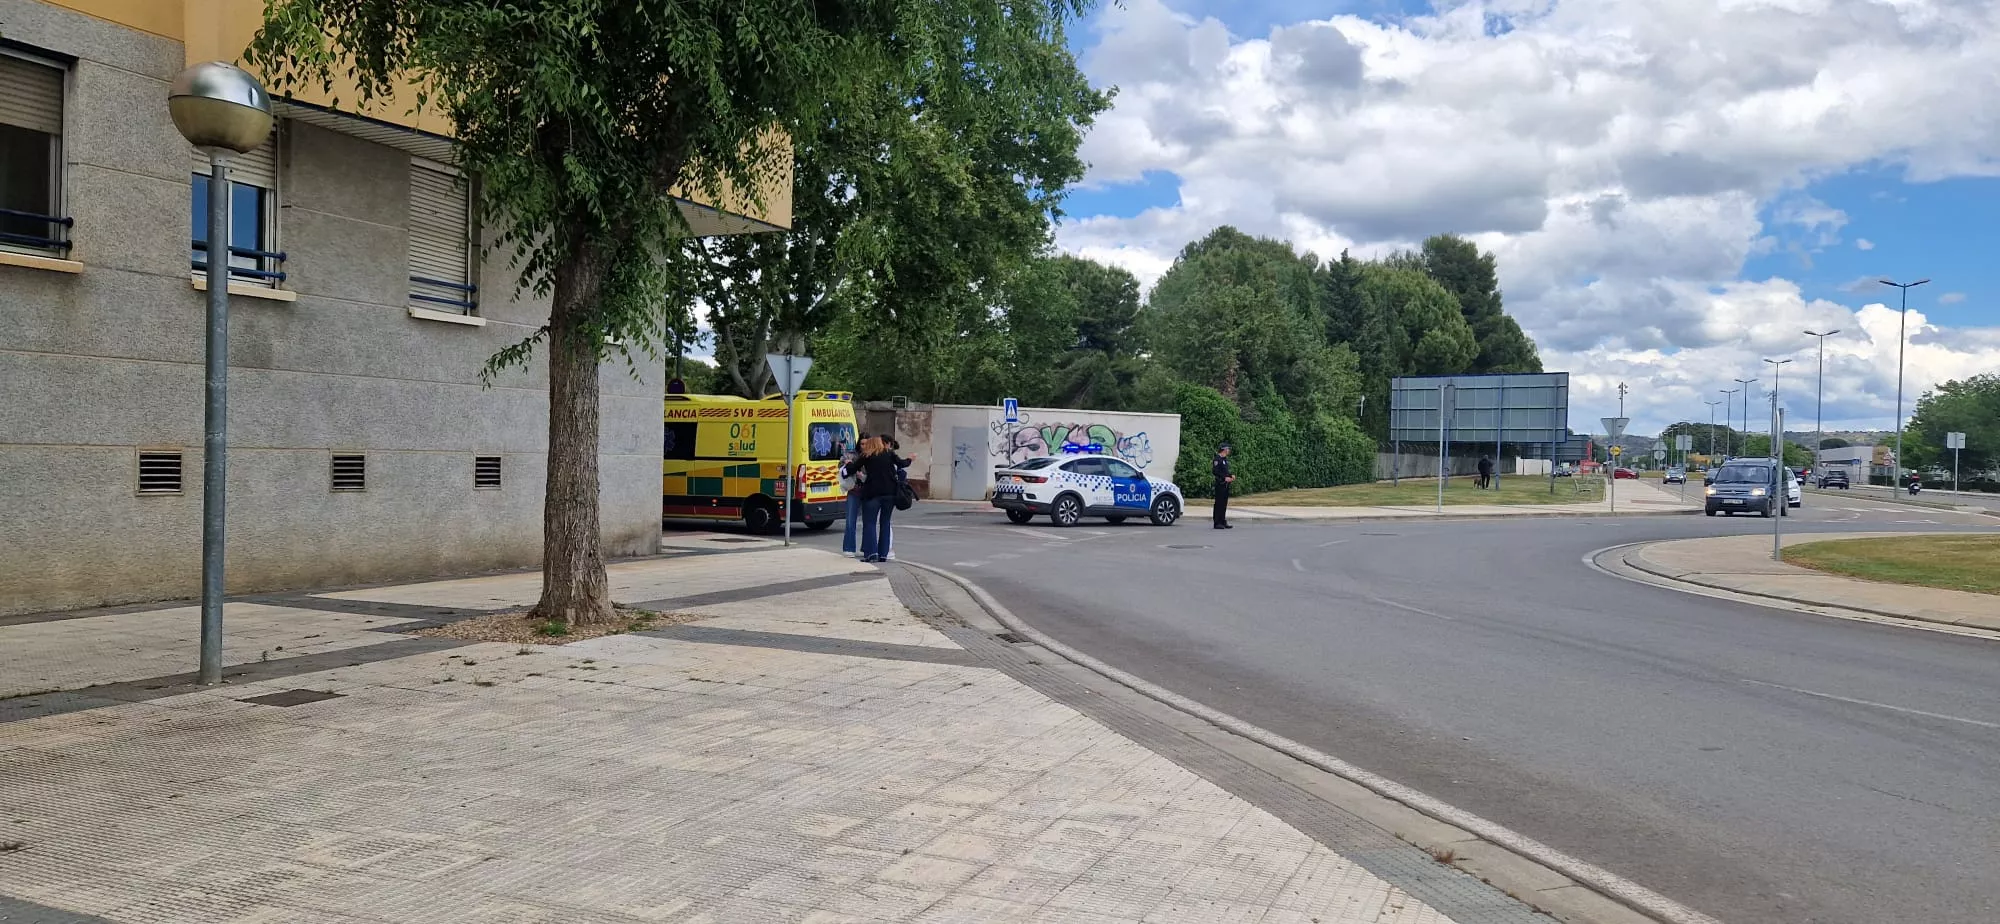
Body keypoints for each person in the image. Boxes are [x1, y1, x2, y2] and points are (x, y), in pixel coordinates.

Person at [846, 436, 902, 562]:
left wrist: (848, 463)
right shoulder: (889, 453)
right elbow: (902, 463)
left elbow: (851, 469)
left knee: (870, 523)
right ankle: (883, 554)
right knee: (885, 523)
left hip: (872, 494)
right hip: (890, 494)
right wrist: (910, 459)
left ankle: (871, 553)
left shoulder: (867, 455)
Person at [839, 433, 866, 557]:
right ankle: (849, 548)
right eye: (862, 443)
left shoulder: (873, 456)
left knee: (868, 522)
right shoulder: (851, 455)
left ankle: (865, 547)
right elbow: (841, 468)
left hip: (867, 492)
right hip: (853, 490)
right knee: (850, 520)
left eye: (866, 443)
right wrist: (846, 463)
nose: (864, 446)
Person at [1211, 443, 1234, 529]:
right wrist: (1224, 478)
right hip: (1220, 484)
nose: (1229, 450)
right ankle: (1217, 522)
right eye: (1228, 449)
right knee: (1219, 503)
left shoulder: (1225, 459)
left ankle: (1223, 521)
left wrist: (1231, 475)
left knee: (1224, 503)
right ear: (1224, 449)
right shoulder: (1217, 459)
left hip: (1226, 485)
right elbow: (1215, 471)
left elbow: (1225, 471)